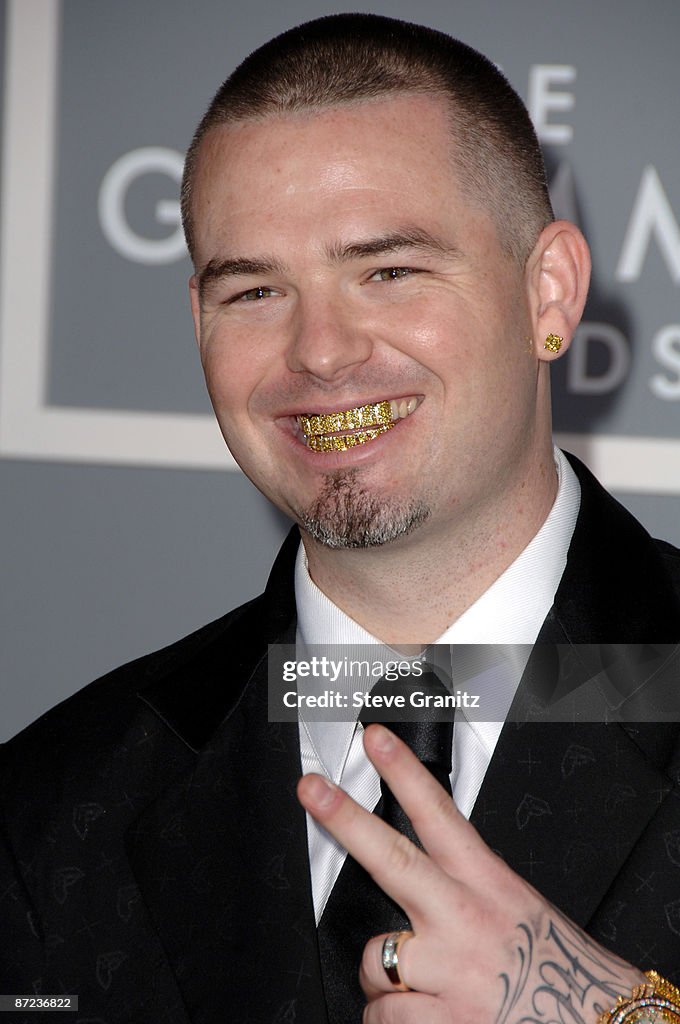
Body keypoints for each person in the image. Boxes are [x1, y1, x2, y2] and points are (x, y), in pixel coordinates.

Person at [1, 13, 679, 1024]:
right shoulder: (51, 806)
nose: (318, 351)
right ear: (199, 322)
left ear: (549, 290)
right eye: (255, 290)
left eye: (386, 271)